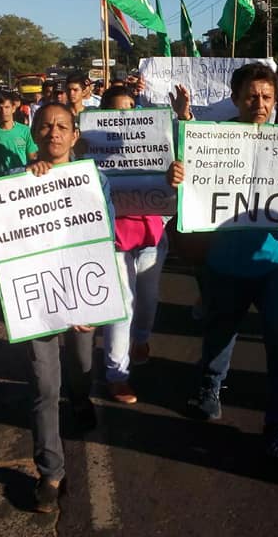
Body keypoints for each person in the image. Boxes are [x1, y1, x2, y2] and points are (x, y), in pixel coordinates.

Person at [170, 62, 278, 474]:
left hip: (274, 265)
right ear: (235, 98)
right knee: (220, 334)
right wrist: (178, 173)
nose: (259, 103)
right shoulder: (217, 140)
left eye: (267, 97)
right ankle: (211, 386)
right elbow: (190, 171)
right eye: (251, 96)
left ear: (277, 100)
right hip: (225, 262)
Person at [21, 102, 107, 512]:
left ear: (75, 136)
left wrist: (93, 302)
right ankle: (50, 472)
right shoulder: (15, 183)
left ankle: (81, 396)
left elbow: (102, 238)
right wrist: (22, 187)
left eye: (62, 127)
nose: (53, 133)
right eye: (45, 126)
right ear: (35, 134)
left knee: (80, 364)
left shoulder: (95, 181)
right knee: (43, 385)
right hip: (38, 301)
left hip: (81, 295)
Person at [97, 85, 169, 405]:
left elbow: (179, 167)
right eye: (115, 111)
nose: (123, 116)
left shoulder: (155, 142)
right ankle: (116, 375)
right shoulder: (89, 147)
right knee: (121, 307)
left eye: (129, 108)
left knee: (148, 299)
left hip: (152, 234)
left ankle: (141, 340)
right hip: (112, 237)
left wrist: (174, 174)